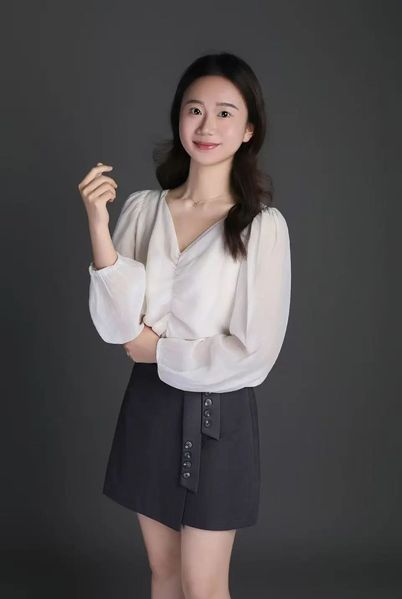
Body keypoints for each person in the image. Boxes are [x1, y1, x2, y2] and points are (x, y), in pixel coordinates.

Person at [78, 52, 291, 599]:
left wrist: (159, 351)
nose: (207, 125)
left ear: (249, 129)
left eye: (225, 113)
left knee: (203, 582)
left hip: (218, 412)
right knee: (164, 573)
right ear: (179, 118)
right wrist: (99, 227)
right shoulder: (144, 210)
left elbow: (255, 353)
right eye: (195, 110)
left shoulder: (261, 227)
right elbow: (117, 327)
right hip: (150, 404)